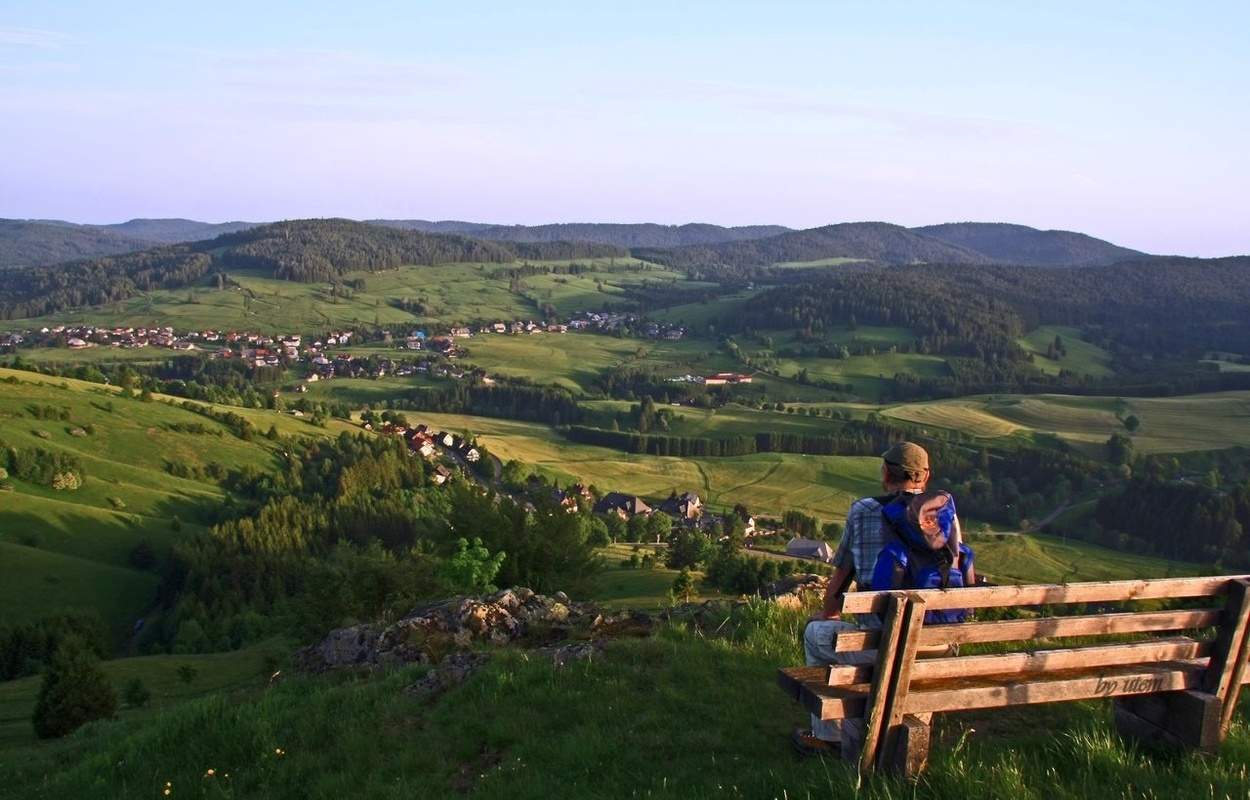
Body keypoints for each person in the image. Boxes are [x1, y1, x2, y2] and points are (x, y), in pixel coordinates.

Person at [791, 441, 975, 756]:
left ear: (886, 473)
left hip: (882, 651)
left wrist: (828, 615)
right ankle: (914, 722)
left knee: (815, 635)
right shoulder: (945, 515)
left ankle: (830, 737)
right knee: (917, 649)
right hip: (938, 648)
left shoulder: (863, 510)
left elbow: (841, 576)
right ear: (925, 477)